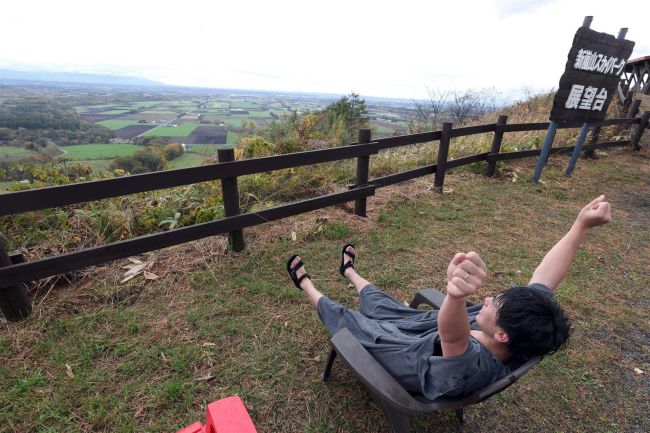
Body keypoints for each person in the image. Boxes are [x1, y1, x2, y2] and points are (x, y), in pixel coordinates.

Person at [286, 195, 612, 400]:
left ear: (501, 333)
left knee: (348, 321)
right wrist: (580, 227)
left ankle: (307, 286)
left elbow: (453, 337)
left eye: (492, 304)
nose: (486, 300)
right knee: (381, 302)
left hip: (405, 358)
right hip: (424, 329)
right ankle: (349, 272)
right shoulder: (521, 329)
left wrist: (455, 295)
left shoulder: (471, 365)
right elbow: (544, 277)